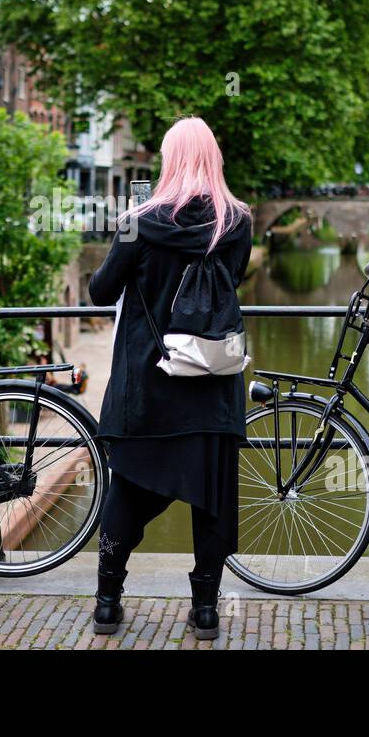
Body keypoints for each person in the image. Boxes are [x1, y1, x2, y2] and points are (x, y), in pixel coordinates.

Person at [86, 116, 252, 641]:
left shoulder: (139, 221)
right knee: (210, 496)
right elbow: (234, 281)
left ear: (167, 161)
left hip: (147, 386)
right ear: (214, 159)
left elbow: (100, 291)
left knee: (127, 492)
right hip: (209, 385)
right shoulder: (237, 222)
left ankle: (108, 603)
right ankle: (205, 610)